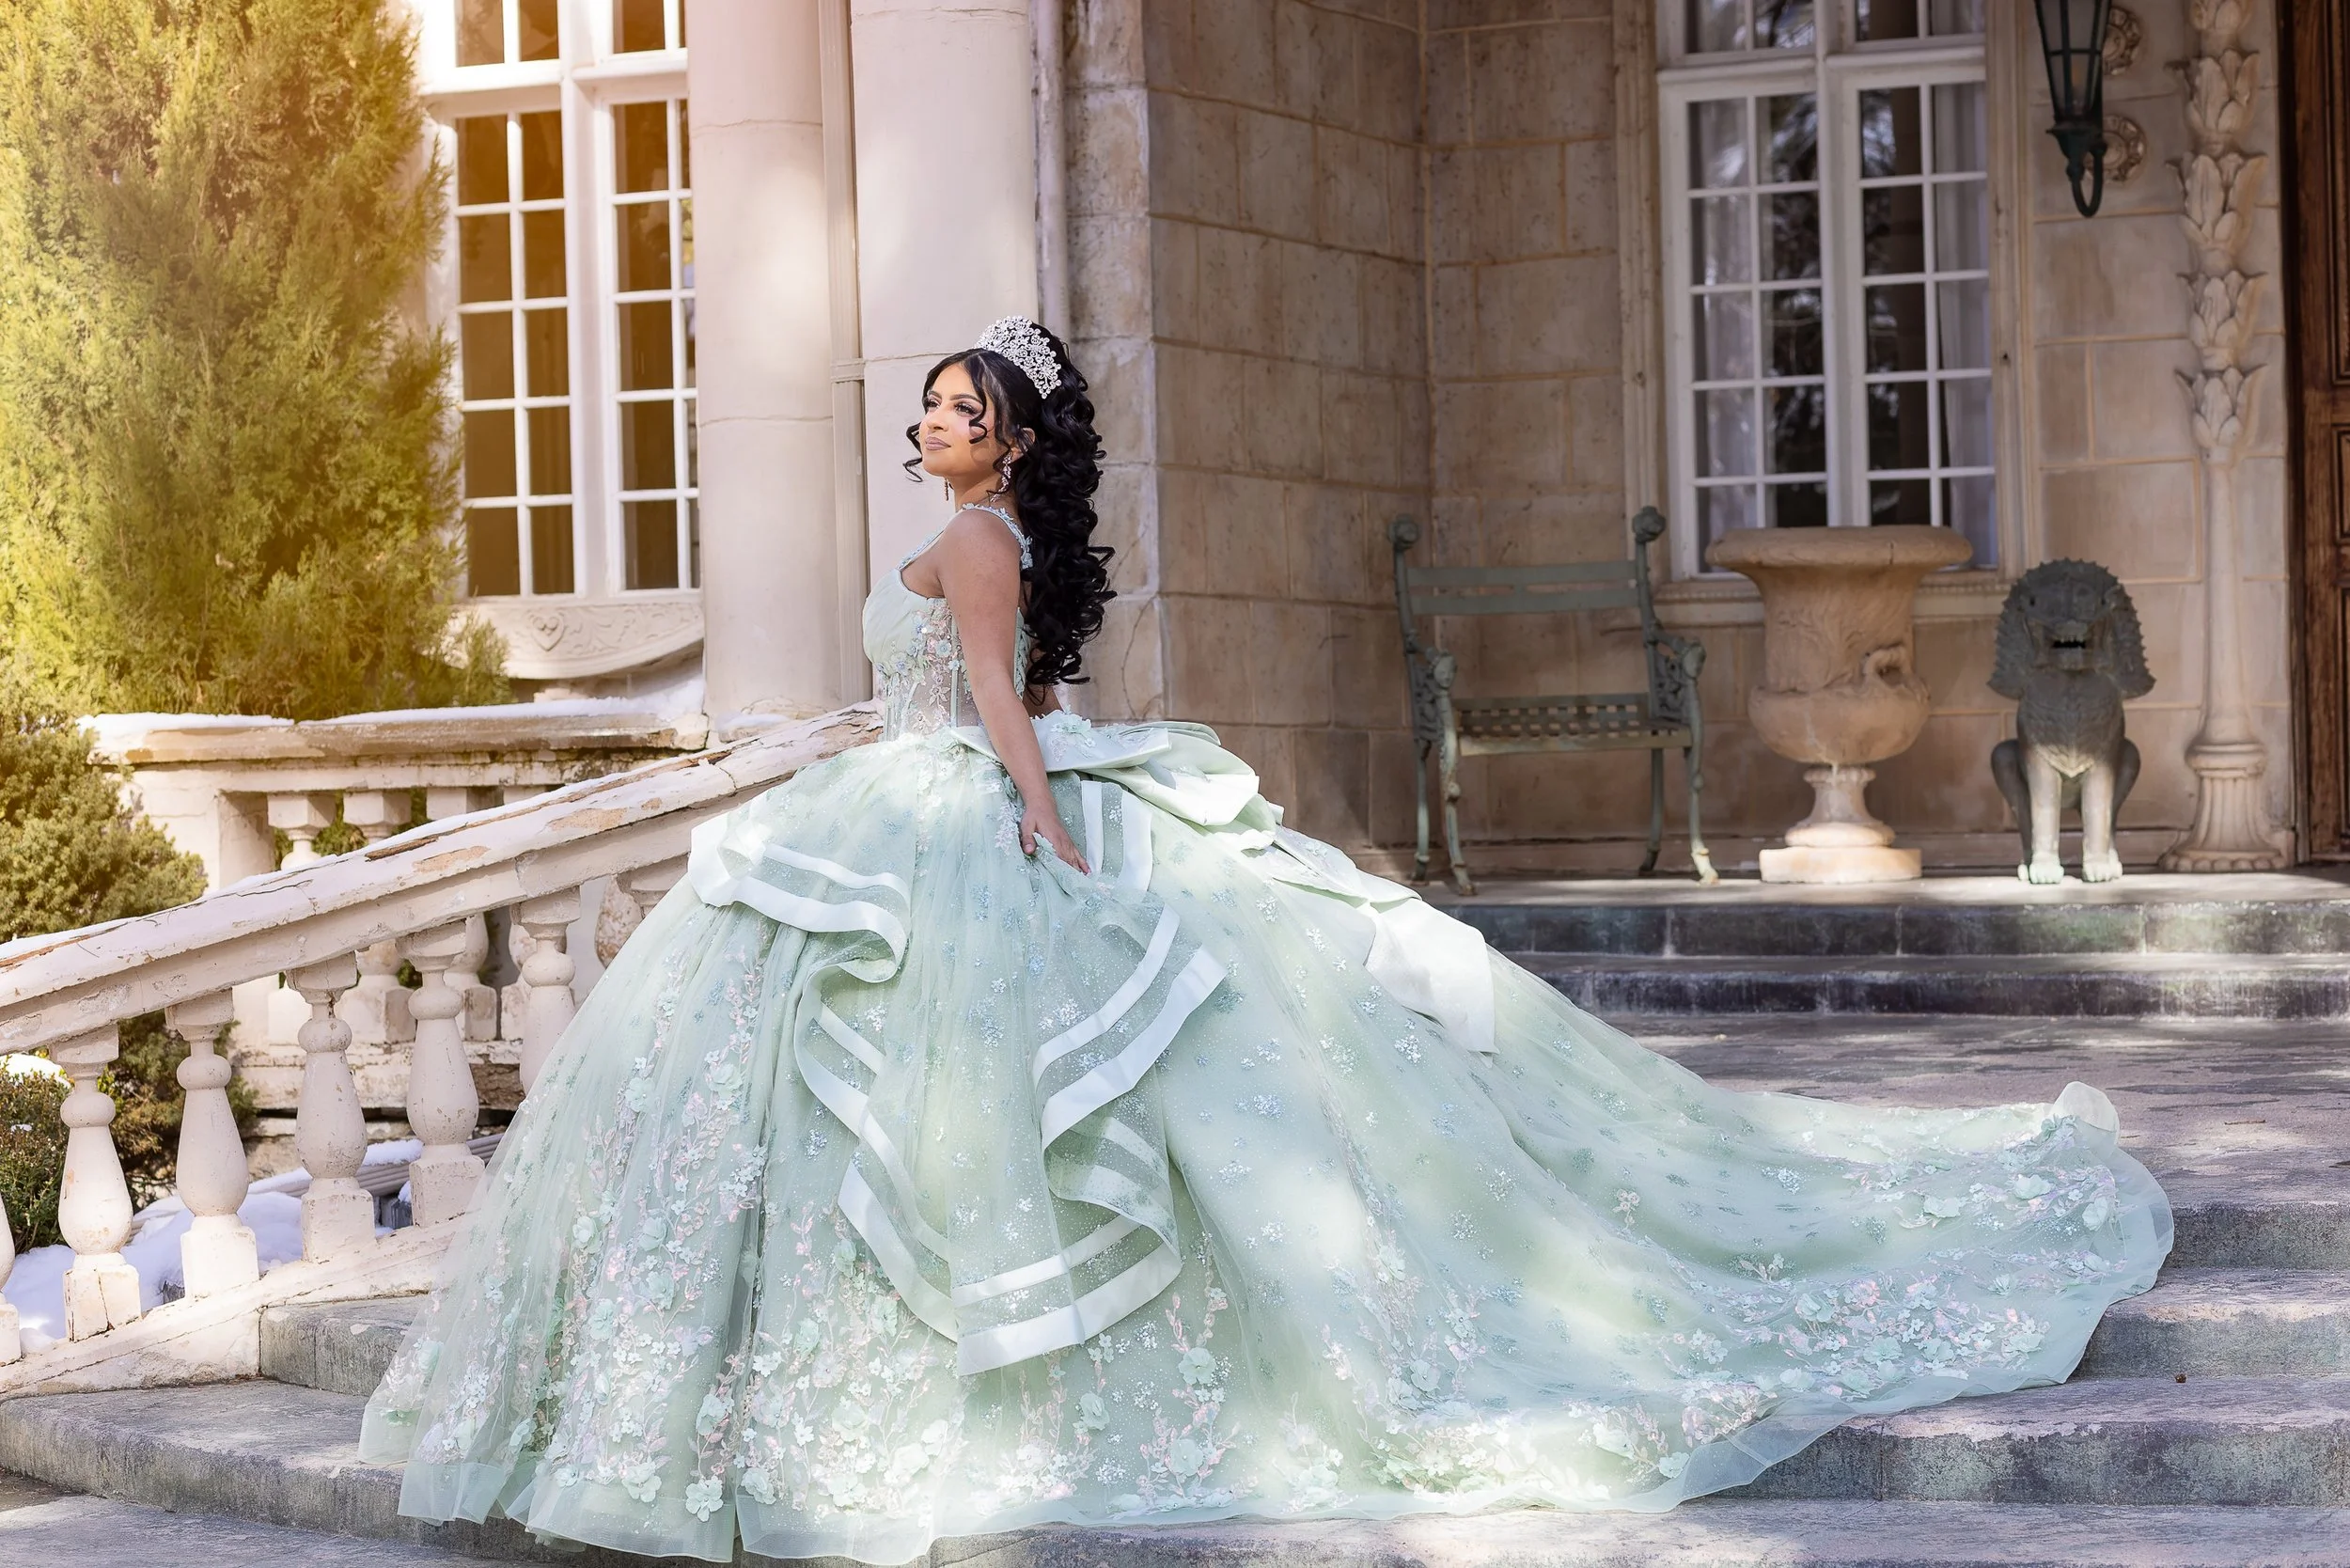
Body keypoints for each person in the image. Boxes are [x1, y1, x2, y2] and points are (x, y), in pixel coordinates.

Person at [360, 319, 2170, 1565]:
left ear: (1003, 440)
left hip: (968, 805)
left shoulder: (976, 546)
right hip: (917, 795)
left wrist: (1048, 830)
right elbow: (1012, 686)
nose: (925, 421)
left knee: (992, 1099)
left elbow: (1000, 698)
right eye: (924, 403)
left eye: (951, 406)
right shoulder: (970, 533)